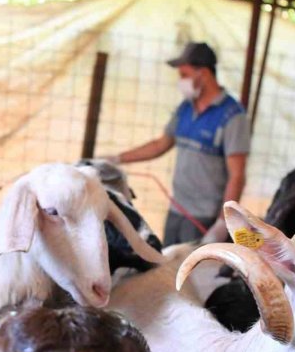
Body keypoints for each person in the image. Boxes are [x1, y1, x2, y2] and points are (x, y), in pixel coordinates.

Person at [103, 42, 250, 246]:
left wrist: (222, 223)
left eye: (184, 75)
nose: (181, 81)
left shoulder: (233, 116)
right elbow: (159, 145)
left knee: (192, 273)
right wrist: (115, 159)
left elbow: (237, 175)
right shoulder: (185, 108)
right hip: (177, 209)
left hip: (204, 216)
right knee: (169, 265)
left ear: (204, 74)